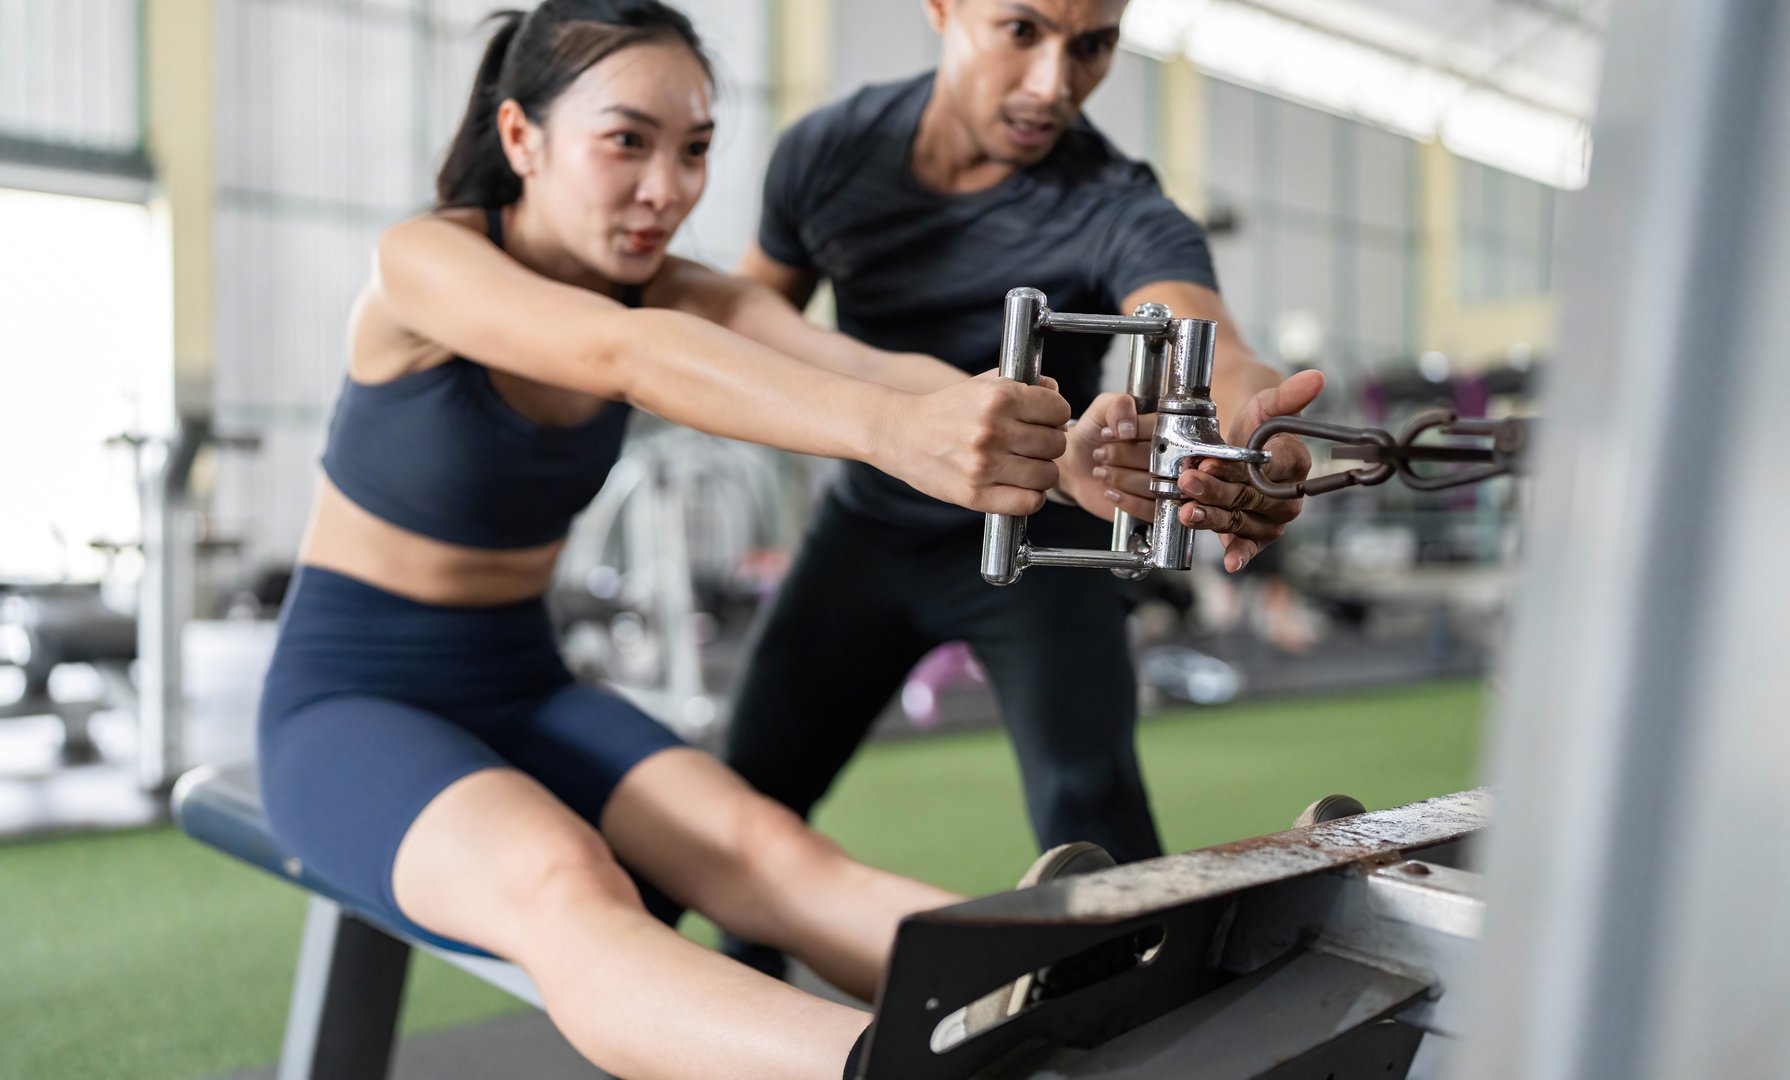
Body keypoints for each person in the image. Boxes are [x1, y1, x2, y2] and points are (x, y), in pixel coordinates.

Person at [255, 3, 1122, 1077]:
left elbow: (863, 368)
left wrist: (1045, 442)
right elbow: (626, 355)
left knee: (768, 850)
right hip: (351, 699)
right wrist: (895, 437)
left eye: (696, 149)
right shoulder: (425, 265)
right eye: (627, 141)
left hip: (521, 686)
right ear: (521, 138)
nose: (667, 189)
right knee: (565, 882)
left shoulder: (673, 288)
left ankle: (1081, 995)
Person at [722, 0, 1323, 976]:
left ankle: (1135, 1033)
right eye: (1021, 31)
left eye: (1091, 44)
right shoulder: (824, 156)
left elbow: (1207, 345)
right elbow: (743, 324)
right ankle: (728, 1023)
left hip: (1040, 544)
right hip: (865, 532)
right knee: (739, 803)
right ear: (942, 9)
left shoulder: (1115, 204)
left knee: (1096, 820)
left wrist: (1257, 422)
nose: (1055, 83)